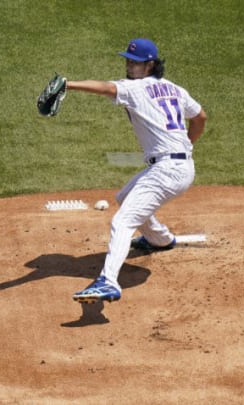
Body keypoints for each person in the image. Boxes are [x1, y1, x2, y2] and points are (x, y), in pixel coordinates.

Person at [67, 38, 207, 303]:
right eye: (128, 61)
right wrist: (187, 144)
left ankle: (108, 282)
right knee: (124, 198)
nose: (130, 66)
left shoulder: (135, 88)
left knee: (122, 221)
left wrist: (67, 84)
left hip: (167, 171)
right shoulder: (174, 89)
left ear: (150, 64)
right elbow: (200, 117)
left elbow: (106, 88)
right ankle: (159, 239)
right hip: (179, 166)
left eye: (136, 62)